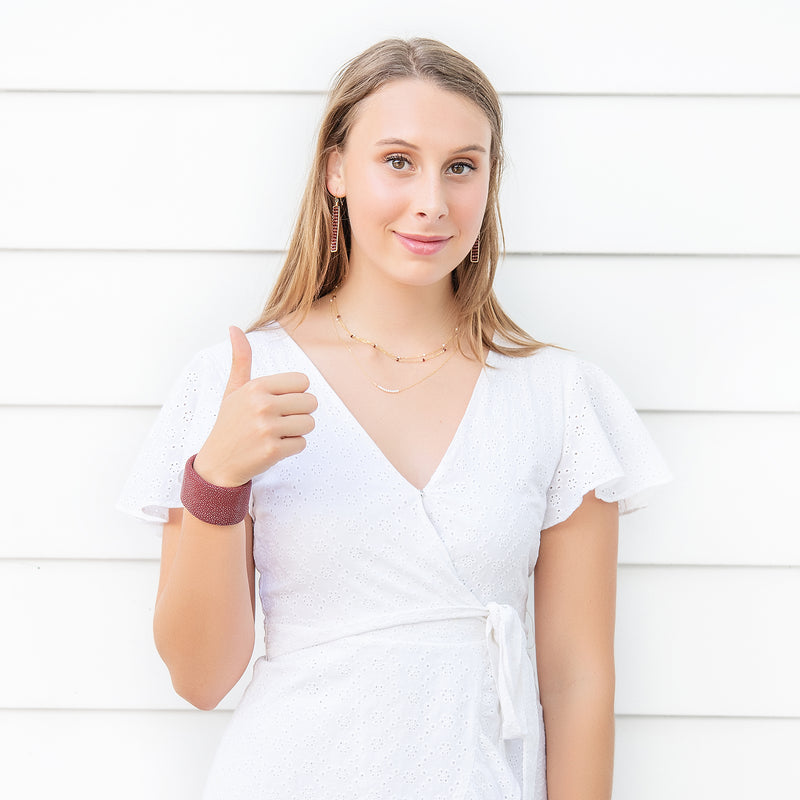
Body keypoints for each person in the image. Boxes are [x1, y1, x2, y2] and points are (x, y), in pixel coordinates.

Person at [118, 37, 670, 800]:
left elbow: (577, 680)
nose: (432, 202)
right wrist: (215, 482)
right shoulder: (234, 383)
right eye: (399, 161)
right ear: (336, 171)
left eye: (462, 167)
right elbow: (200, 678)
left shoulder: (559, 396)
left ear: (490, 182)